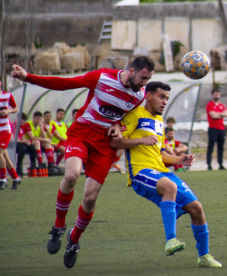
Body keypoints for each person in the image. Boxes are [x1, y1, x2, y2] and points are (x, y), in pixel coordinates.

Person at [12, 55, 155, 269]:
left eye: (149, 79)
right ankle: (59, 227)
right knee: (71, 175)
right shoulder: (102, 78)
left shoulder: (140, 95)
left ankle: (74, 241)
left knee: (89, 199)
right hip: (82, 133)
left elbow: (128, 116)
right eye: (144, 77)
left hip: (105, 145)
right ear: (132, 71)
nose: (145, 83)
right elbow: (64, 84)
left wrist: (119, 126)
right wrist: (28, 77)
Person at [110, 81, 222, 268]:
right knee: (170, 187)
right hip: (140, 172)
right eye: (161, 97)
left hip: (161, 171)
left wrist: (180, 160)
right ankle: (171, 240)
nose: (164, 102)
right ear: (148, 96)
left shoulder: (159, 121)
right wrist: (142, 140)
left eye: (167, 99)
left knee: (197, 208)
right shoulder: (134, 115)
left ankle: (204, 256)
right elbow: (115, 142)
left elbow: (161, 154)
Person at [0, 82, 21, 189]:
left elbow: (16, 109)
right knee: (5, 157)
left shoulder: (7, 95)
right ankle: (16, 178)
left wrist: (7, 110)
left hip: (4, 129)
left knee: (0, 154)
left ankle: (3, 180)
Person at [206, 89, 227, 170]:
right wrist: (221, 114)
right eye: (215, 95)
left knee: (221, 147)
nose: (217, 96)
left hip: (221, 129)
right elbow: (213, 116)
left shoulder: (222, 105)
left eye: (218, 95)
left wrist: (218, 114)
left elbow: (226, 114)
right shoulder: (209, 105)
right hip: (213, 128)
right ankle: (209, 164)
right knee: (211, 147)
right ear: (212, 95)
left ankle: (220, 164)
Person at [15, 112, 38, 178]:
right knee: (23, 149)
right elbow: (12, 139)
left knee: (32, 148)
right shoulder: (13, 125)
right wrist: (23, 141)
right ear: (17, 118)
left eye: (24, 120)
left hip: (21, 142)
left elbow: (23, 136)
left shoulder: (22, 126)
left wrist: (26, 141)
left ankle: (33, 166)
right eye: (21, 119)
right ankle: (18, 167)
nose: (22, 121)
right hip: (14, 144)